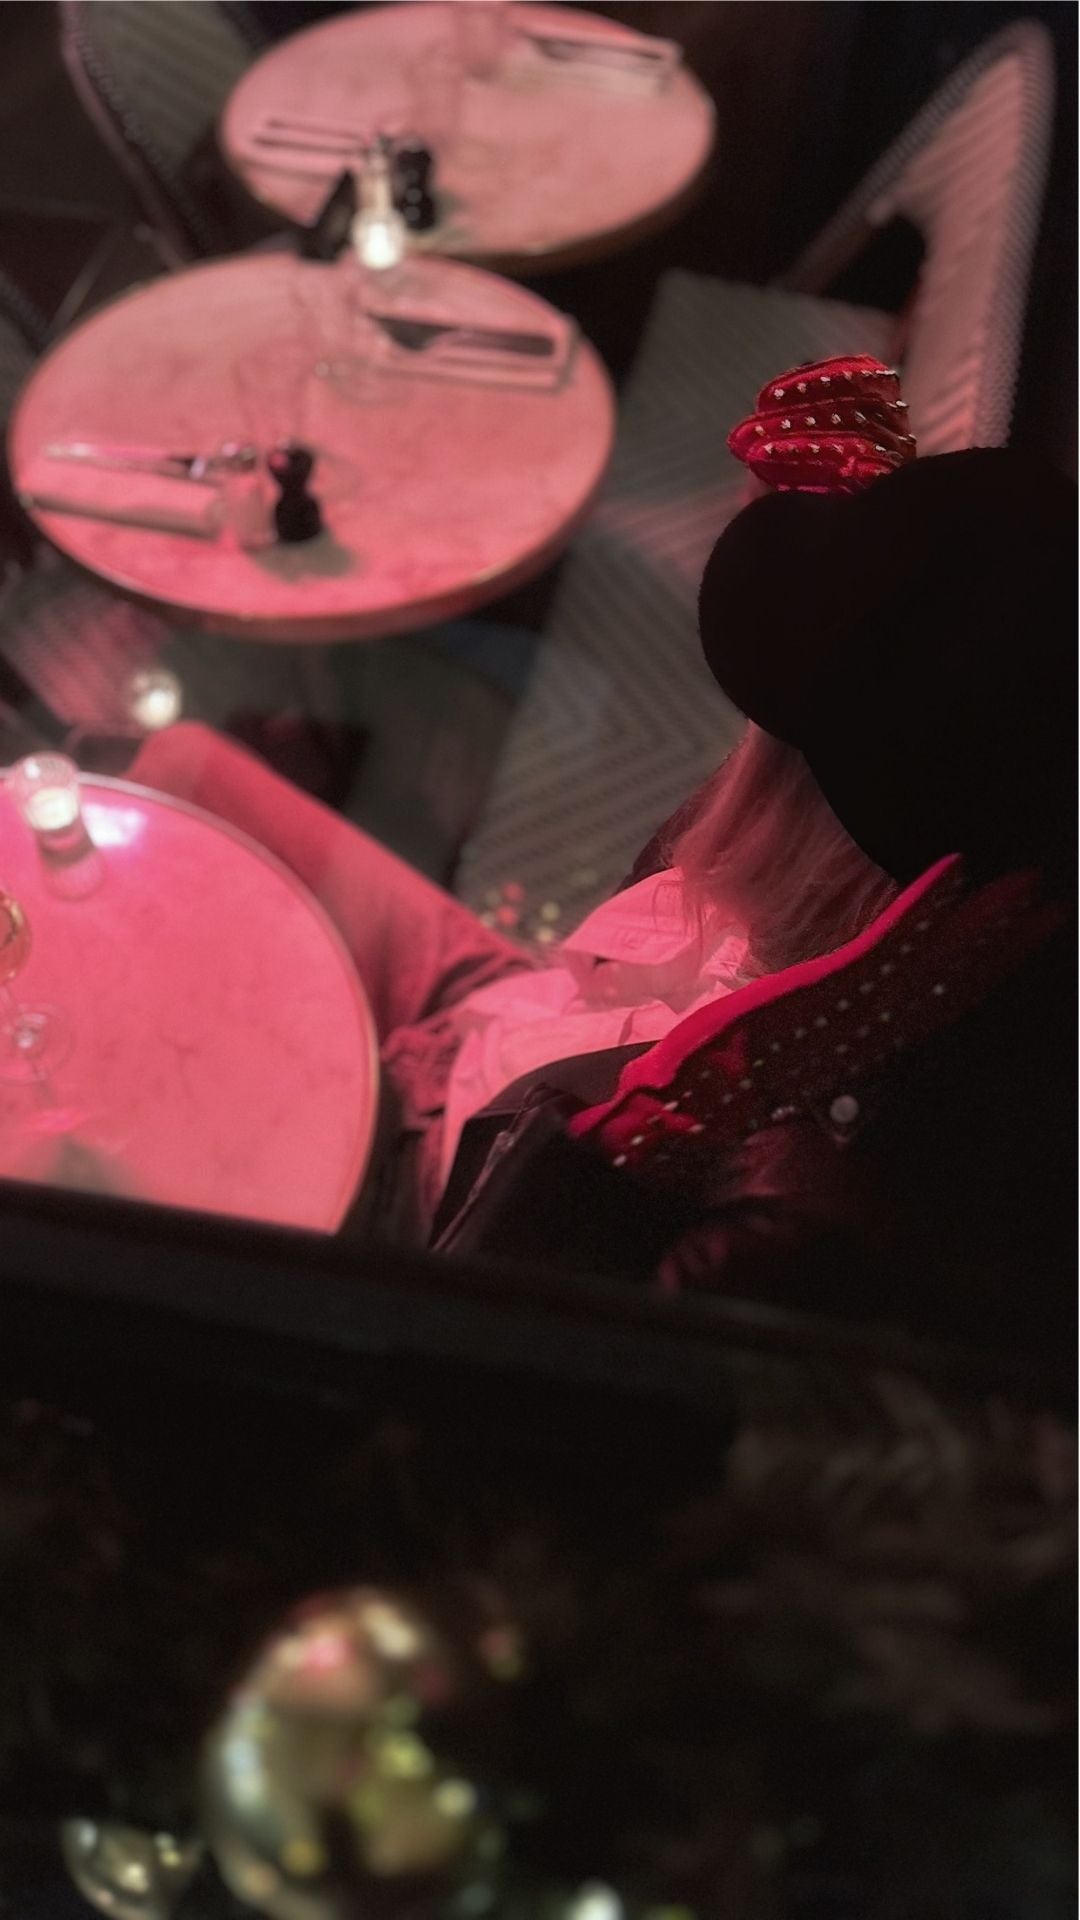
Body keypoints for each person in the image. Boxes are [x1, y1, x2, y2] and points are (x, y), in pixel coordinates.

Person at [130, 409, 1074, 1354]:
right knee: (183, 769)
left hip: (425, 1183)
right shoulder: (842, 840)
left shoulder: (810, 1157)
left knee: (128, 1093)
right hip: (497, 1019)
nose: (746, 738)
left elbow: (477, 1331)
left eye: (774, 714)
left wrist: (706, 1096)